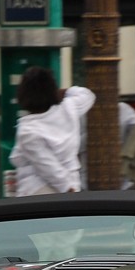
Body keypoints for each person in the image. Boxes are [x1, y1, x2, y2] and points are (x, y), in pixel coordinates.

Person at [10, 66, 95, 195]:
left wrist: (67, 188)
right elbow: (87, 95)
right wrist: (63, 92)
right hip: (72, 182)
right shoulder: (68, 108)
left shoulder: (28, 130)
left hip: (37, 190)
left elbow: (47, 166)